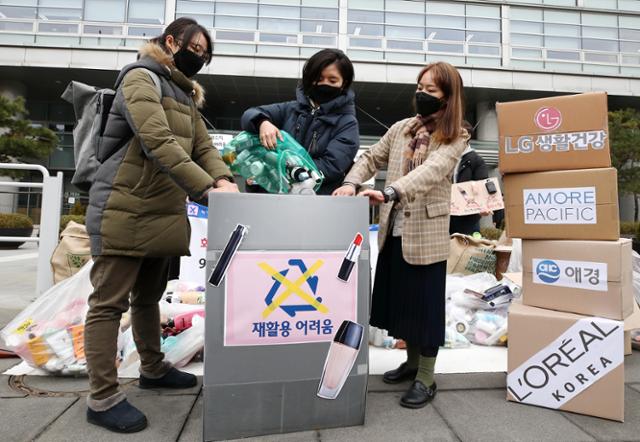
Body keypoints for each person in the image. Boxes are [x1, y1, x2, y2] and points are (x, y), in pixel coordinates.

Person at [84, 17, 238, 433]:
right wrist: (208, 189)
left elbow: (203, 146)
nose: (199, 59)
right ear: (170, 42)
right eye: (195, 50)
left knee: (149, 297)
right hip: (124, 205)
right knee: (108, 303)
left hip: (162, 210)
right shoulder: (140, 77)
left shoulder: (185, 96)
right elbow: (158, 141)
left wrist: (224, 178)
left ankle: (152, 368)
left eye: (206, 56)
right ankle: (102, 397)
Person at [333, 62, 469, 409]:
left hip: (426, 232)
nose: (422, 94)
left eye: (431, 90)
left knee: (425, 310)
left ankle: (426, 377)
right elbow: (370, 157)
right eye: (420, 87)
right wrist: (350, 182)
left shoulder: (457, 135)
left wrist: (390, 192)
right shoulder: (400, 129)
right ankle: (410, 364)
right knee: (402, 306)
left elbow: (432, 171)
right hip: (394, 232)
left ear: (448, 97)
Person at [240, 49, 359, 195]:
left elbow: (331, 167)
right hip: (273, 200)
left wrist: (279, 167)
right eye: (319, 78)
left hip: (315, 203)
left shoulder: (347, 123)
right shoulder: (290, 109)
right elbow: (250, 114)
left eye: (332, 80)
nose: (324, 84)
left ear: (343, 83)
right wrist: (262, 122)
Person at [449, 145, 489, 235]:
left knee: (469, 246)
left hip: (469, 217)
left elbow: (482, 185)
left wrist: (483, 205)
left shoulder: (476, 160)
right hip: (446, 214)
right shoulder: (445, 157)